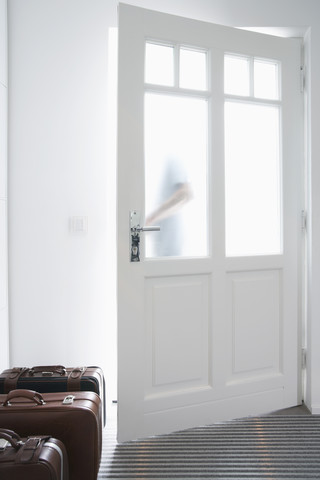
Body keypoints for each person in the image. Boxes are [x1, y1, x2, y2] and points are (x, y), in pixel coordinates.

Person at [146, 157, 193, 257]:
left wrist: (152, 218)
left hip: (171, 250)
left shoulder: (173, 160)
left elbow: (185, 194)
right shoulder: (160, 163)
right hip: (162, 250)